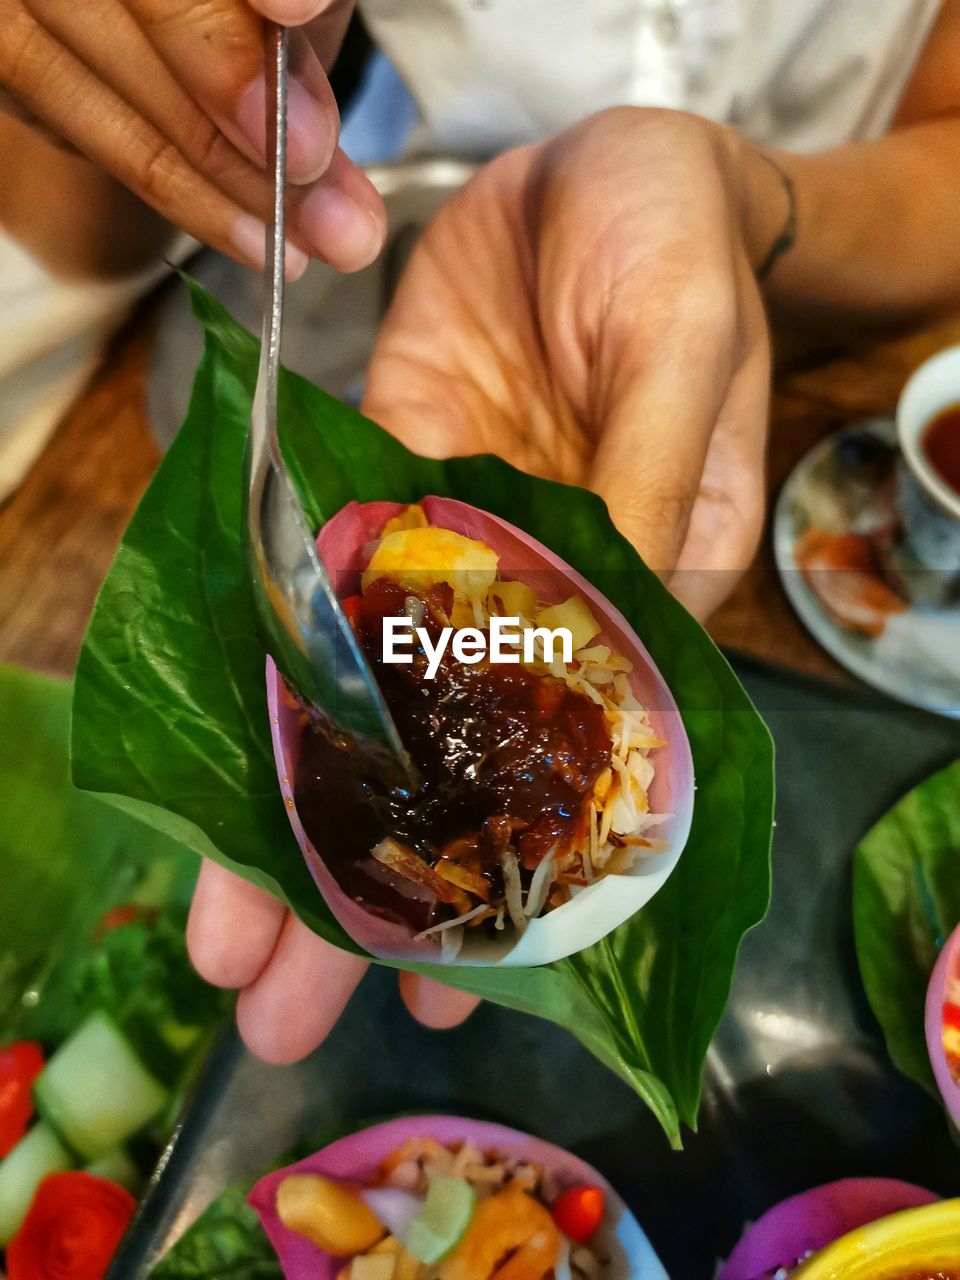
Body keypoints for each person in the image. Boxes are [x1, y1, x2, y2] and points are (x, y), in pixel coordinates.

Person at [3, 0, 959, 1062]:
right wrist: (183, 97)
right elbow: (81, 227)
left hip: (796, 339)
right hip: (378, 262)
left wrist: (743, 199)